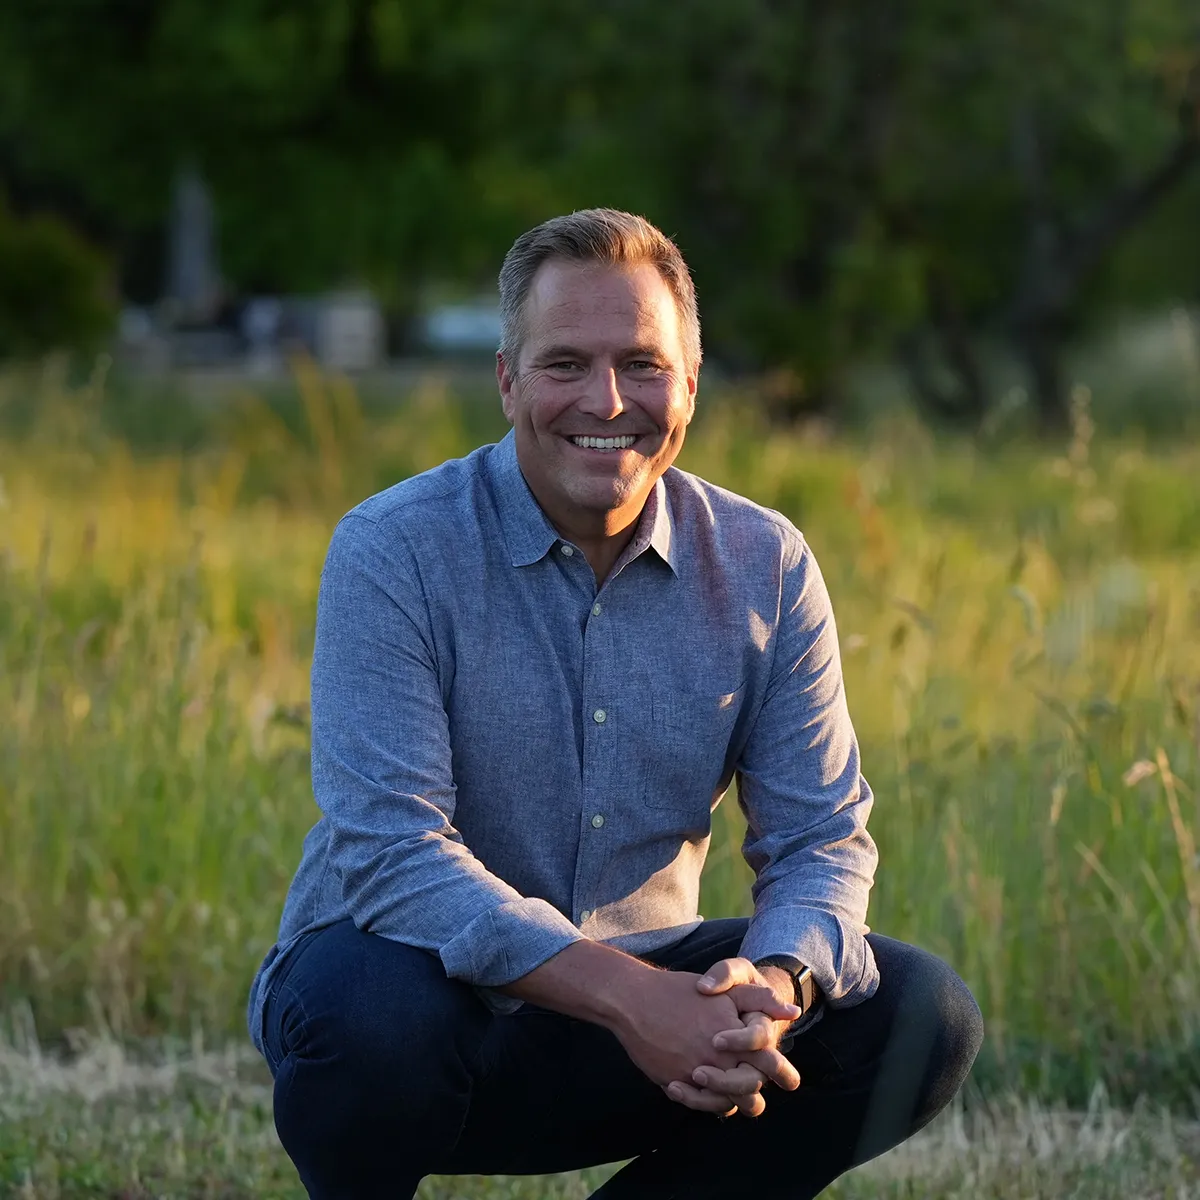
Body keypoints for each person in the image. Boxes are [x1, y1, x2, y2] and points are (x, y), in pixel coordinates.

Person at [247, 208, 983, 1199]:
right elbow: (391, 854)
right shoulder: (394, 549)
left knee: (919, 1015)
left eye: (642, 364)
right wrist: (631, 1000)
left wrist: (772, 986)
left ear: (690, 383)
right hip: (420, 1020)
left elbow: (822, 840)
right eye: (564, 365)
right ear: (506, 381)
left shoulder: (766, 564)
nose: (607, 399)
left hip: (648, 1029)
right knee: (371, 1011)